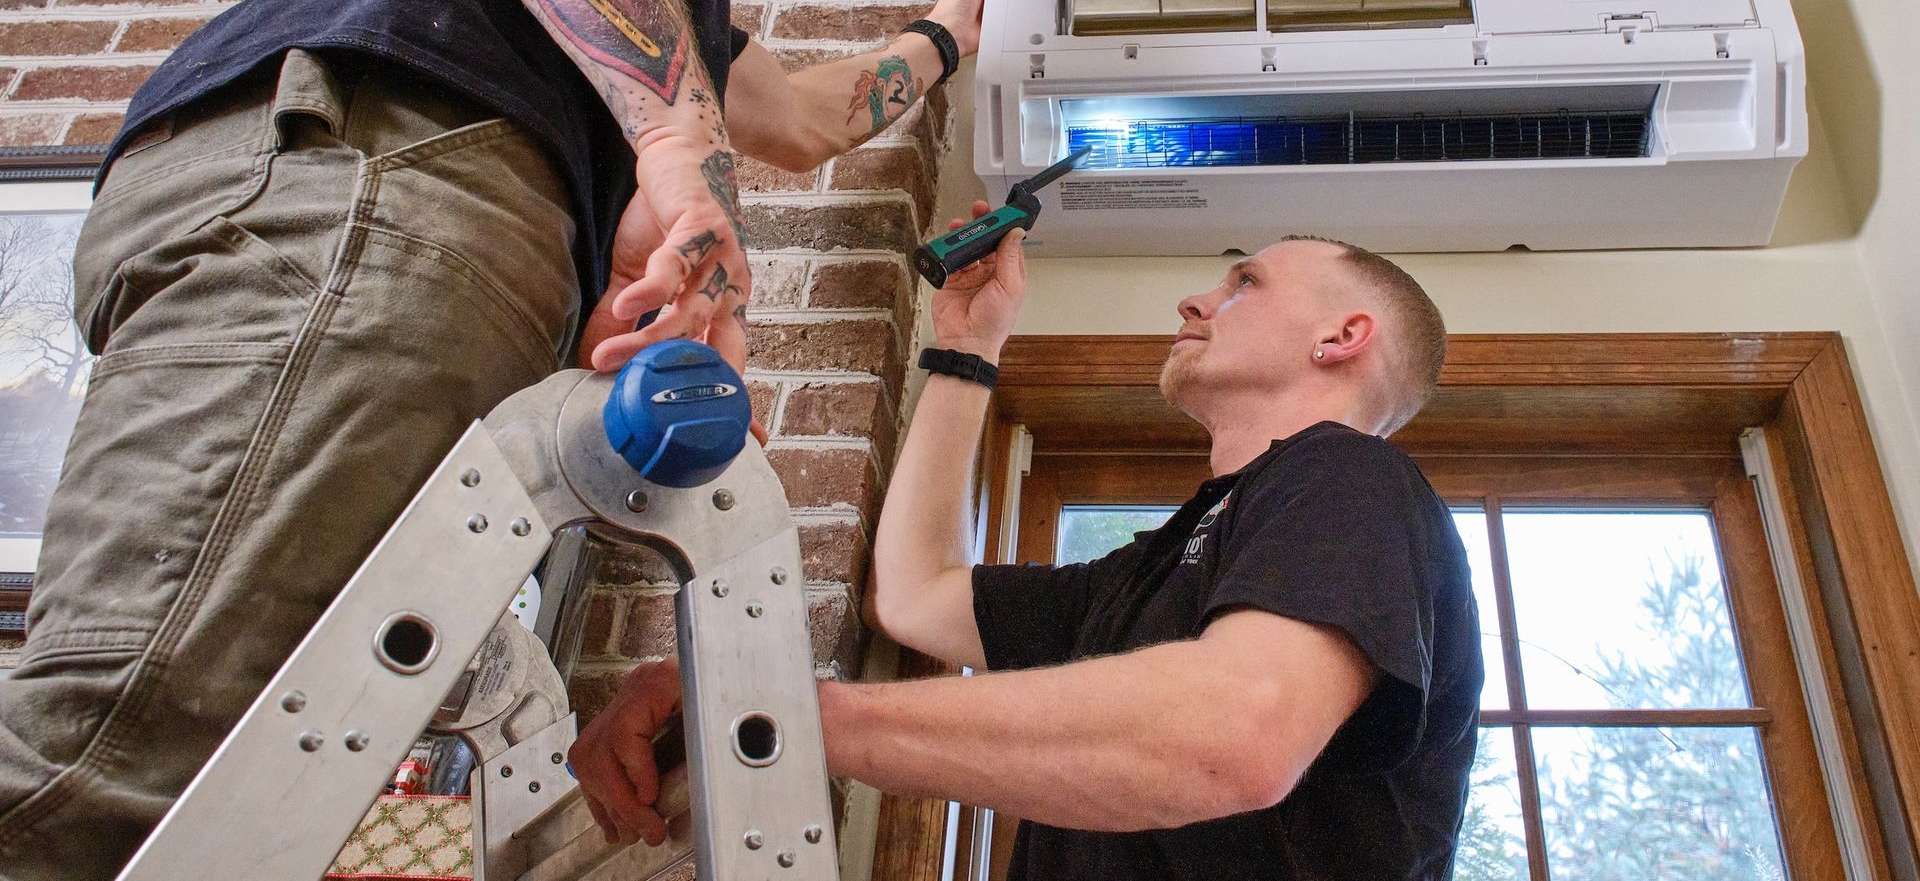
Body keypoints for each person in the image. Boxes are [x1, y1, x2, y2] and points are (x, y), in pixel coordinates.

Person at [0, 0, 999, 877]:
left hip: (434, 235)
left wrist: (944, 36)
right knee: (123, 769)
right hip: (374, 177)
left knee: (369, 800)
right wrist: (674, 157)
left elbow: (807, 117)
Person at [573, 217, 1484, 876]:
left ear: (1342, 337)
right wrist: (968, 350)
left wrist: (780, 714)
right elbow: (918, 596)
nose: (1199, 297)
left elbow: (1234, 733)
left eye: (1246, 281)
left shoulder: (1350, 478)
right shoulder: (1155, 570)